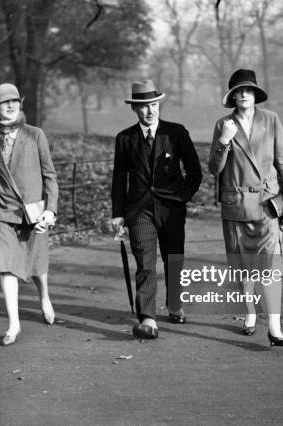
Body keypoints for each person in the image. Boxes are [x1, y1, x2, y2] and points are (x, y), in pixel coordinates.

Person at [208, 69, 283, 346]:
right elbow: (214, 169)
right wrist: (224, 140)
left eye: (249, 90)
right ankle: (249, 314)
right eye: (239, 90)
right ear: (232, 95)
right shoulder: (223, 124)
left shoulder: (271, 120)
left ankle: (274, 326)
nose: (244, 94)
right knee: (243, 267)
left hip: (267, 204)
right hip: (236, 207)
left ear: (255, 94)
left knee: (270, 267)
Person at [111, 79, 203, 339]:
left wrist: (180, 197)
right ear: (135, 109)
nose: (150, 110)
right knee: (145, 263)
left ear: (158, 105)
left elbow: (195, 172)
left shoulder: (176, 133)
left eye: (153, 104)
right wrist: (117, 213)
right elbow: (119, 179)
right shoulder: (125, 139)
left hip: (172, 209)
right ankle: (148, 317)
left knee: (174, 259)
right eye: (143, 106)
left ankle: (175, 303)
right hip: (139, 211)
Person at [0, 83, 58, 346]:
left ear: (20, 105)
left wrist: (50, 209)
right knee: (7, 267)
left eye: (14, 101)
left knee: (37, 265)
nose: (10, 106)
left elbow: (50, 175)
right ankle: (13, 324)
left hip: (33, 212)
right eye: (4, 102)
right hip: (2, 210)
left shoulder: (35, 135)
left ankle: (44, 296)